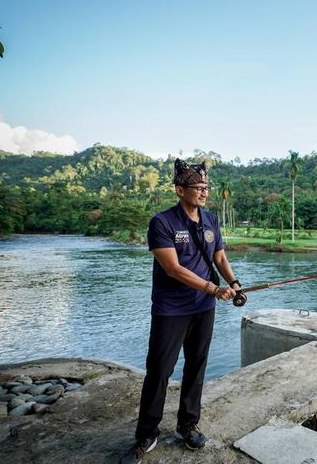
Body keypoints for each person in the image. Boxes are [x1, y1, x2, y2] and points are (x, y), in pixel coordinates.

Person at [120, 158, 242, 464]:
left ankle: (187, 424)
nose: (203, 193)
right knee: (160, 370)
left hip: (203, 308)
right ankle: (146, 434)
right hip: (171, 309)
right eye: (197, 188)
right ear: (179, 189)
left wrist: (234, 283)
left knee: (196, 365)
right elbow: (173, 269)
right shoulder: (162, 223)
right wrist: (214, 289)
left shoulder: (211, 220)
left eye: (206, 188)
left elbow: (220, 259)